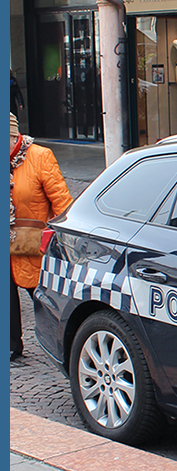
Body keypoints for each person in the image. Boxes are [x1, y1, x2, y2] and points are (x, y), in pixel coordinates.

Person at [10, 112, 73, 360]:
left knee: (43, 297)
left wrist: (67, 240)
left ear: (14, 137)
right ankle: (11, 346)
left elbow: (62, 203)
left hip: (31, 242)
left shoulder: (39, 156)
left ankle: (60, 345)